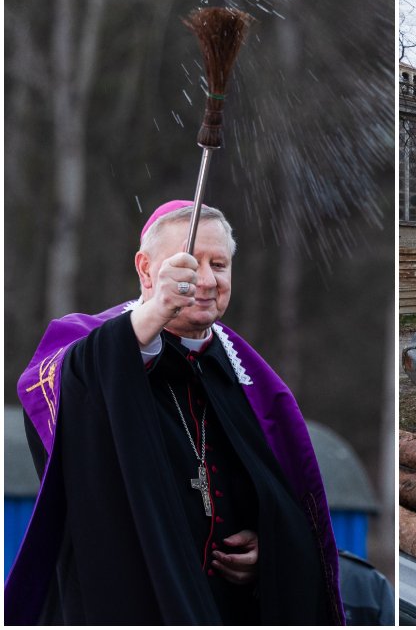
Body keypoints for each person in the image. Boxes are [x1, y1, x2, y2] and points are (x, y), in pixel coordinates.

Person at [7, 201, 343, 625]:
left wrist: (271, 551)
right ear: (146, 270)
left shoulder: (246, 371)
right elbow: (53, 400)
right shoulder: (89, 349)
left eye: (218, 264)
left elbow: (290, 502)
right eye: (185, 265)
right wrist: (153, 316)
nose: (205, 280)